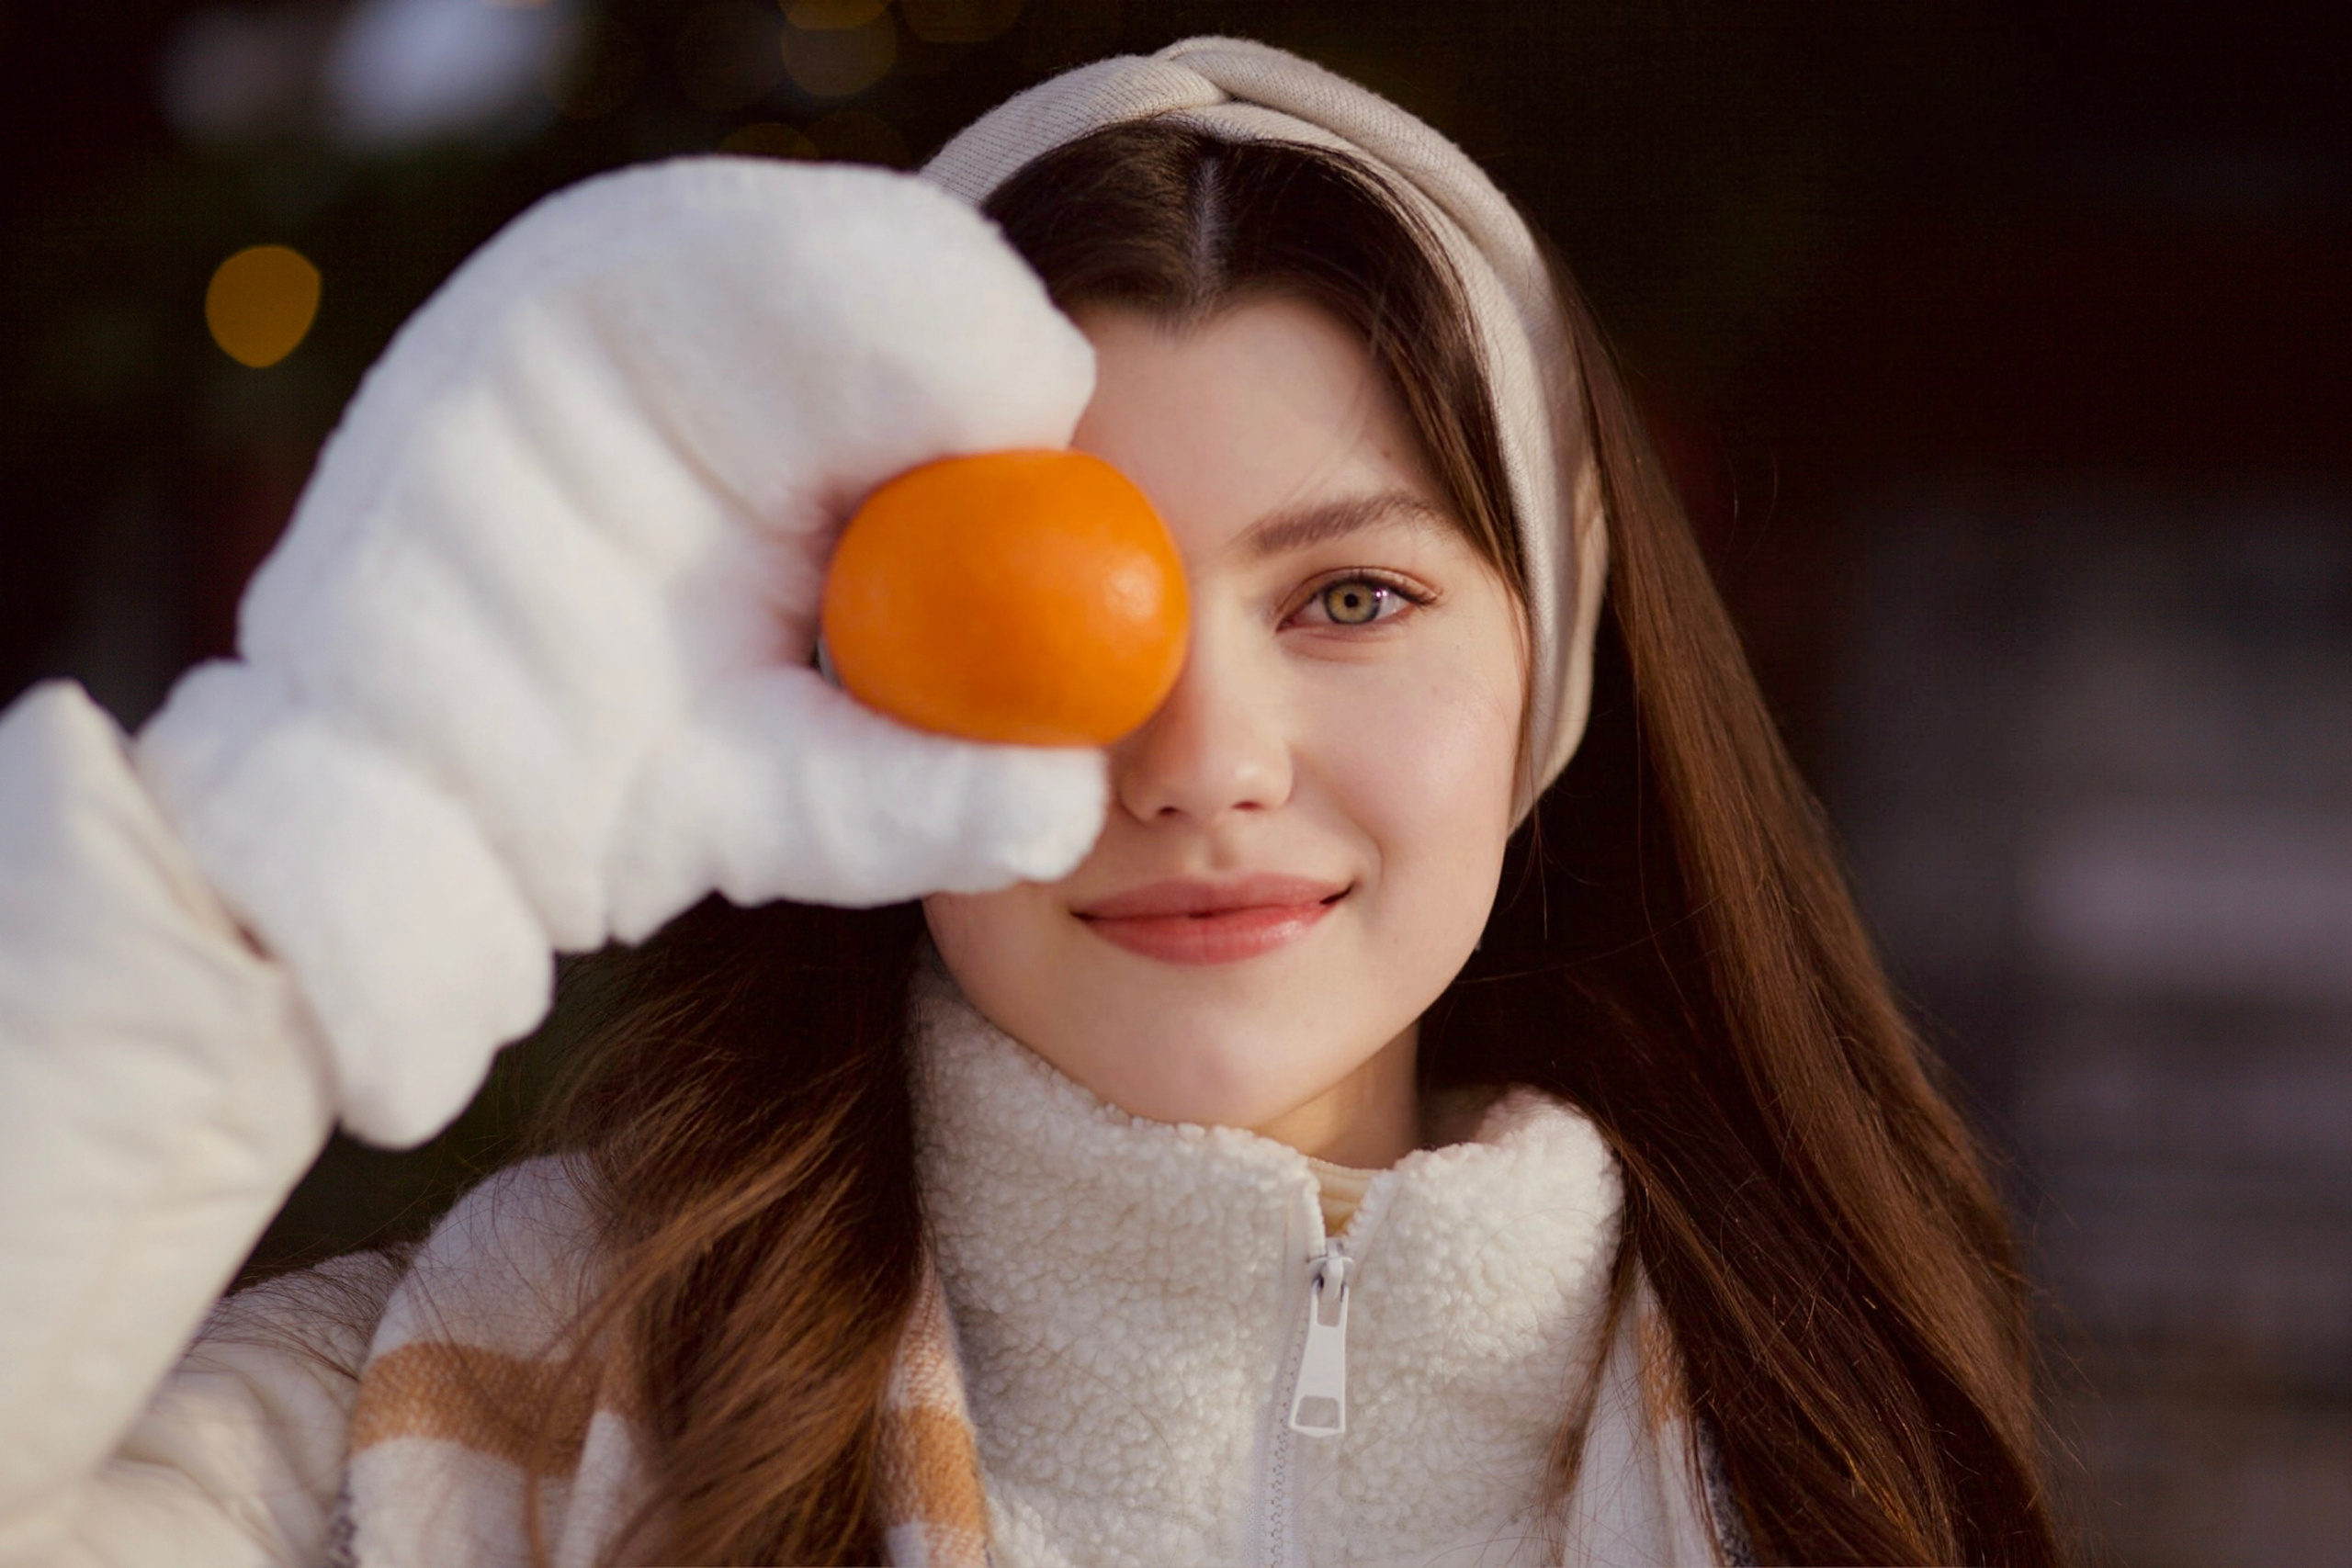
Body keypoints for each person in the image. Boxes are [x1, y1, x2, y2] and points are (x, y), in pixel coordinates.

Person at [0, 36, 2060, 1568]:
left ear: (1553, 675)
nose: (1199, 760)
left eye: (1350, 594)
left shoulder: (1838, 1442)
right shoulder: (454, 1413)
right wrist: (321, 824)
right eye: (1072, 618)